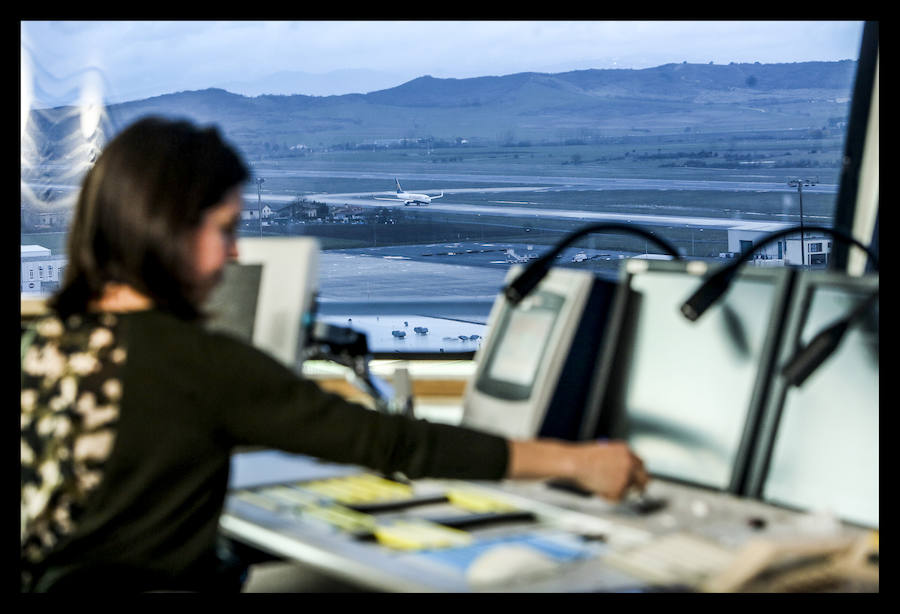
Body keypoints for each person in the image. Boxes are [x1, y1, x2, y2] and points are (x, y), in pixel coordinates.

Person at [20, 116, 649, 593]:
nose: (236, 257)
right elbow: (397, 448)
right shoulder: (197, 363)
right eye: (226, 231)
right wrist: (578, 462)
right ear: (165, 229)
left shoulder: (41, 340)